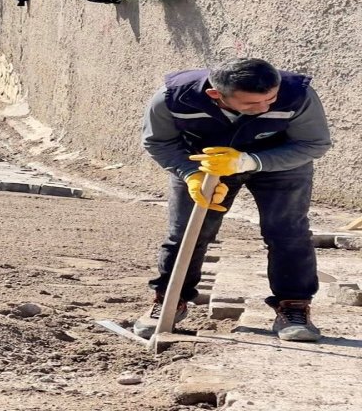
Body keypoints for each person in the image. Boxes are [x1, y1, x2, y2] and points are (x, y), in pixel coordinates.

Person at [134, 58, 331, 341]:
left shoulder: (297, 94)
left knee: (288, 232)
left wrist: (247, 161)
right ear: (216, 95)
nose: (265, 108)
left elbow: (314, 143)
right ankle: (169, 301)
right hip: (206, 165)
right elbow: (158, 141)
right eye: (252, 104)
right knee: (188, 231)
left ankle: (294, 306)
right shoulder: (173, 98)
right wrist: (190, 175)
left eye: (271, 99)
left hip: (279, 164)